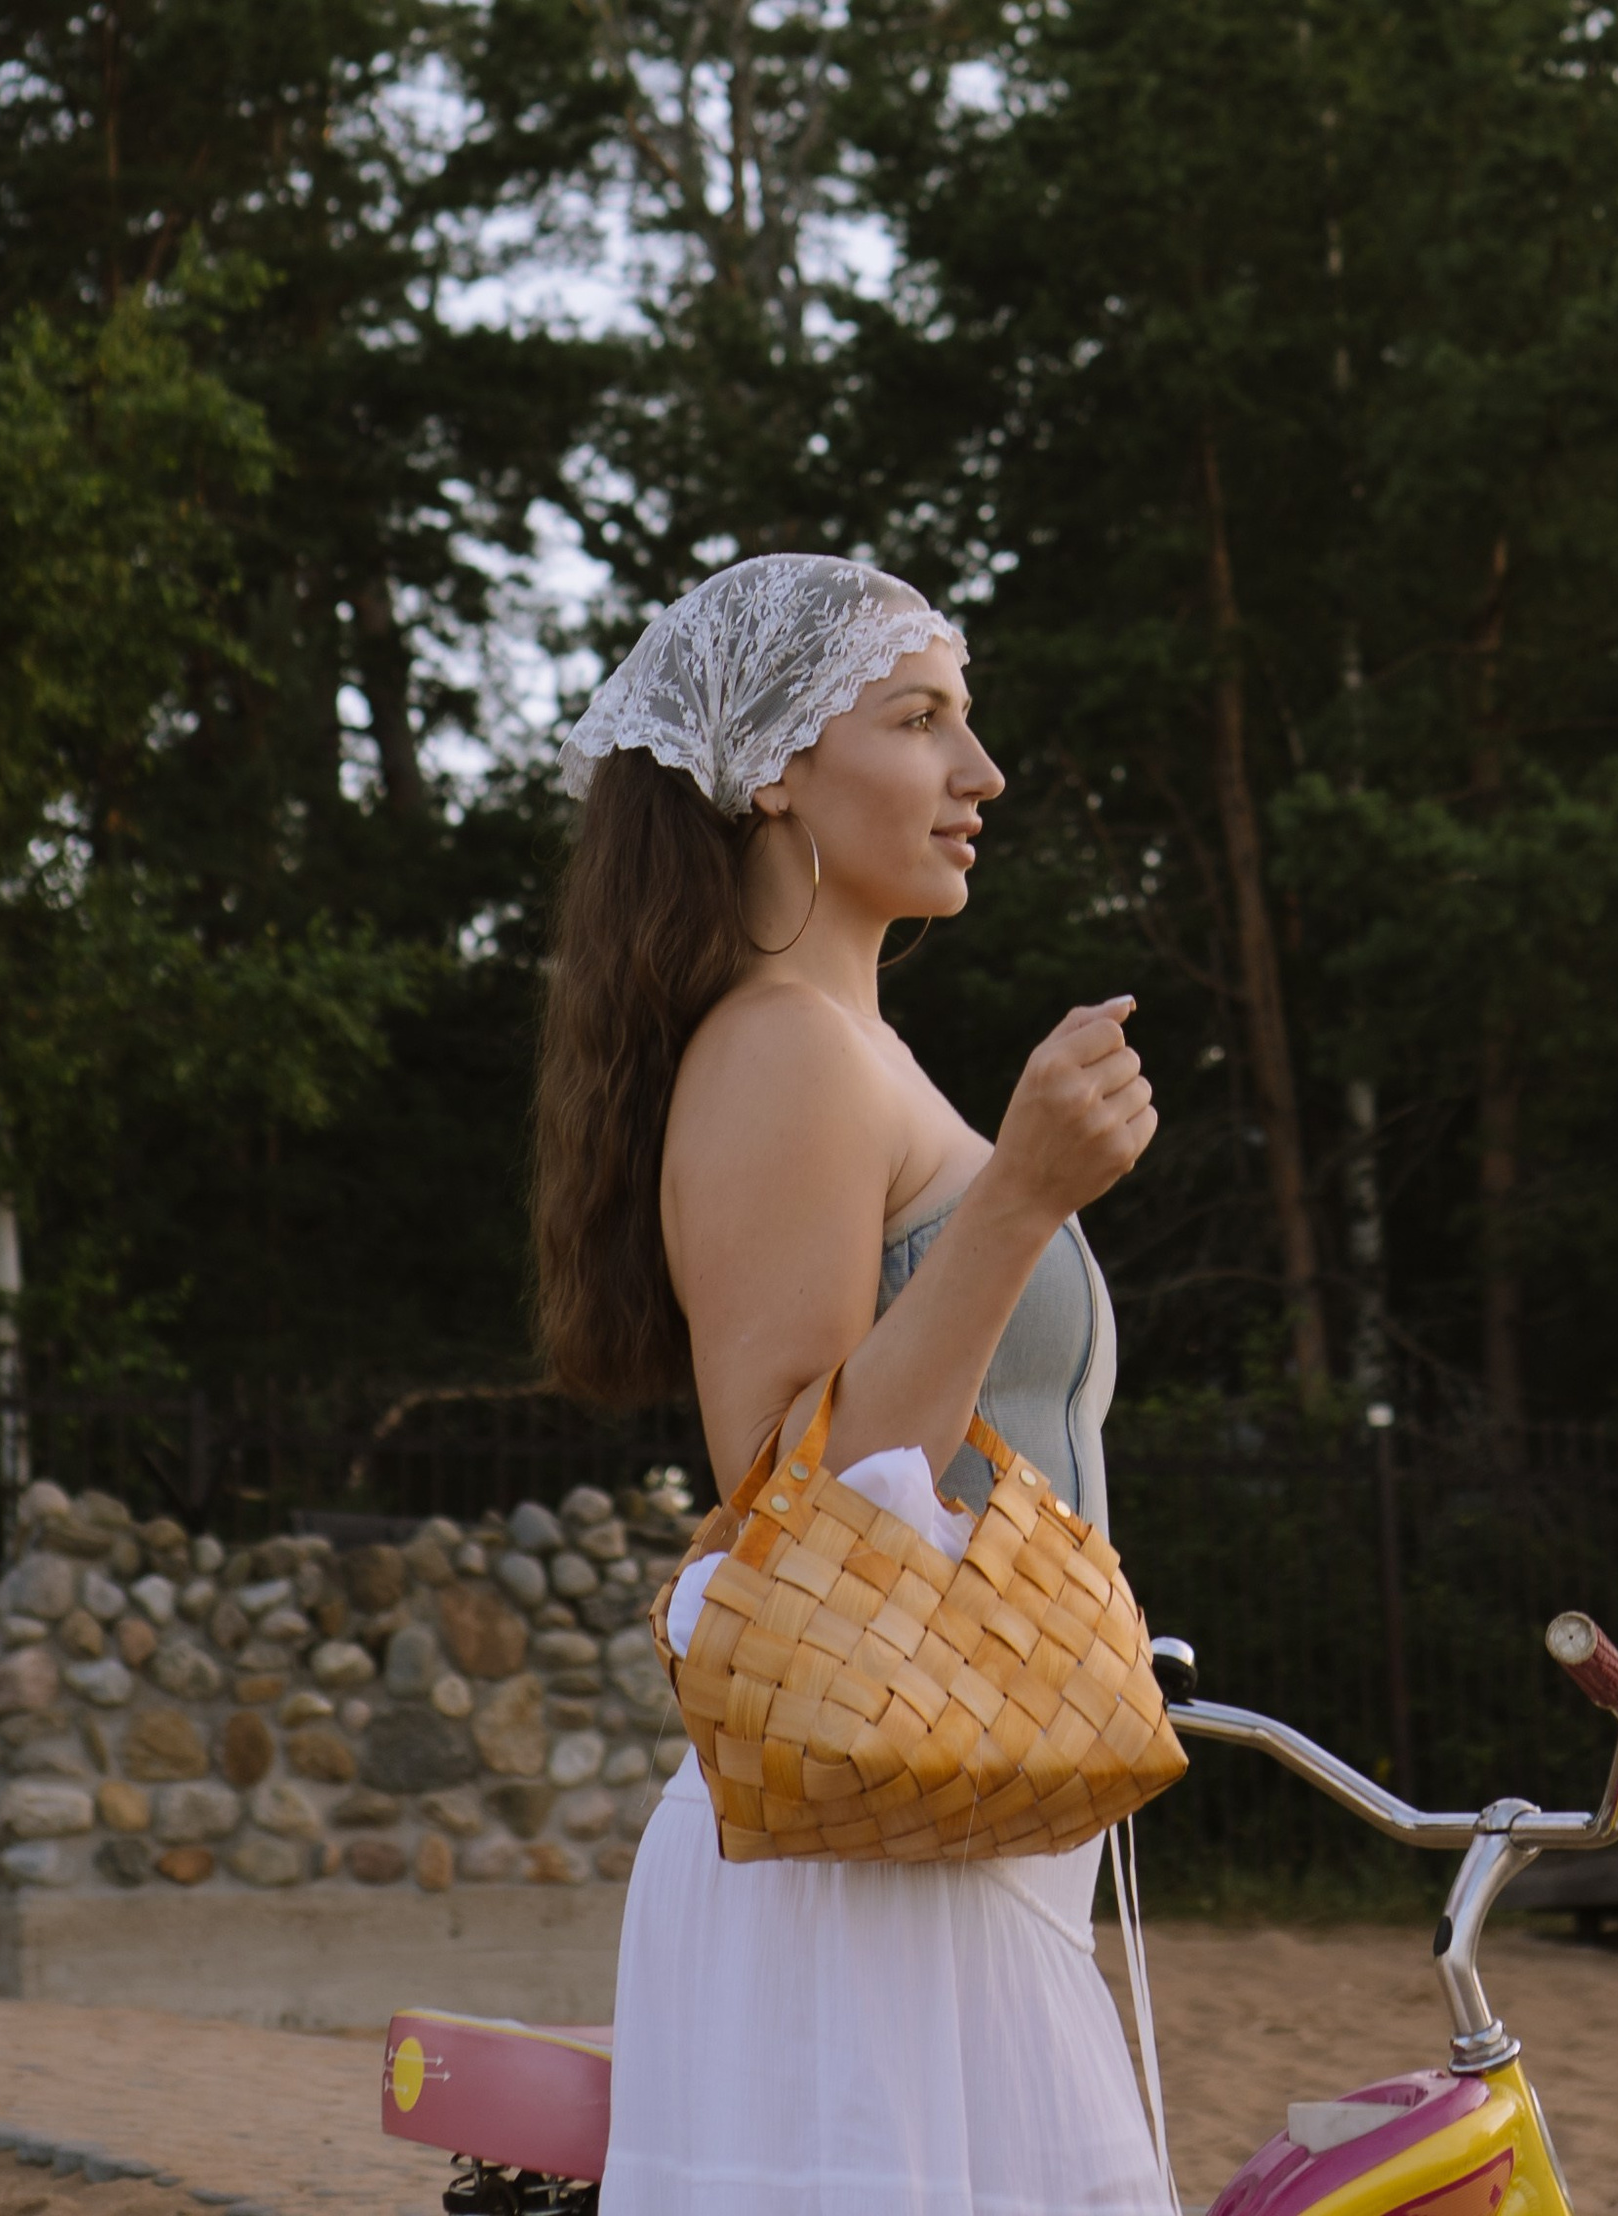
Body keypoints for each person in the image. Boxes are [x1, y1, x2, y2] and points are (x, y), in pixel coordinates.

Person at [532, 553, 1172, 2216]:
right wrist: (1022, 1195)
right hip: (864, 1861)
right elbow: (786, 1499)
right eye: (923, 719)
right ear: (774, 772)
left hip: (948, 1833)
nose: (983, 773)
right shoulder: (781, 1051)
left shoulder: (854, 1048)